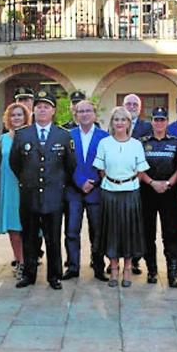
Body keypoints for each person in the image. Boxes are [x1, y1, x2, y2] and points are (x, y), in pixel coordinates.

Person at [10, 90, 75, 290]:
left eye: (46, 106)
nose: (42, 110)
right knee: (29, 237)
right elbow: (15, 163)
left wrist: (56, 183)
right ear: (34, 110)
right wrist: (27, 180)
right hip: (29, 195)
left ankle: (54, 276)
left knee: (53, 238)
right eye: (38, 107)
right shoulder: (23, 134)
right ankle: (29, 275)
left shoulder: (63, 135)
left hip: (54, 196)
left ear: (53, 110)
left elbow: (70, 165)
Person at [94, 106, 149, 288]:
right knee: (112, 232)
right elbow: (101, 170)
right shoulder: (104, 143)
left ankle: (127, 268)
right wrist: (113, 183)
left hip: (131, 193)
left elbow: (141, 171)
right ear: (112, 123)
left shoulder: (136, 144)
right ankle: (114, 268)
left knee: (128, 232)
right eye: (116, 119)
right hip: (109, 192)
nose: (119, 123)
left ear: (128, 123)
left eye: (123, 120)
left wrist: (128, 183)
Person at [64, 100, 109, 282]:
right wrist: (80, 182)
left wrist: (93, 182)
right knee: (72, 231)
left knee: (97, 231)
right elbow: (66, 163)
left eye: (88, 111)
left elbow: (107, 163)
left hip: (96, 190)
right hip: (74, 191)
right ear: (75, 115)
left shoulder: (104, 137)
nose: (84, 114)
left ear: (94, 114)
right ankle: (73, 267)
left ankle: (98, 266)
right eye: (80, 111)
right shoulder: (68, 136)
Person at [139, 107, 177, 288]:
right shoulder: (142, 142)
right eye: (156, 120)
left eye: (162, 120)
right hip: (147, 192)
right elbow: (138, 167)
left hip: (170, 193)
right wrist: (152, 183)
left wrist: (169, 184)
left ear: (167, 122)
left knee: (171, 233)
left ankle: (172, 273)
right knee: (148, 233)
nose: (159, 123)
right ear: (151, 122)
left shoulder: (176, 142)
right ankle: (152, 270)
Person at [0, 102, 31, 280]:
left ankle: (29, 260)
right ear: (8, 118)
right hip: (8, 186)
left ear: (26, 117)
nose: (16, 118)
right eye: (13, 115)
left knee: (28, 227)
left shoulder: (31, 137)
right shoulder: (2, 140)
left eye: (20, 115)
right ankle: (20, 261)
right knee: (13, 227)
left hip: (26, 187)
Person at [123, 93, 152, 275]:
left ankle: (135, 260)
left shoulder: (147, 127)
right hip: (120, 183)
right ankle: (116, 259)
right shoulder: (115, 125)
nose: (132, 106)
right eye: (129, 104)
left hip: (141, 185)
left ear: (139, 108)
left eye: (135, 104)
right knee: (120, 223)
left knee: (138, 225)